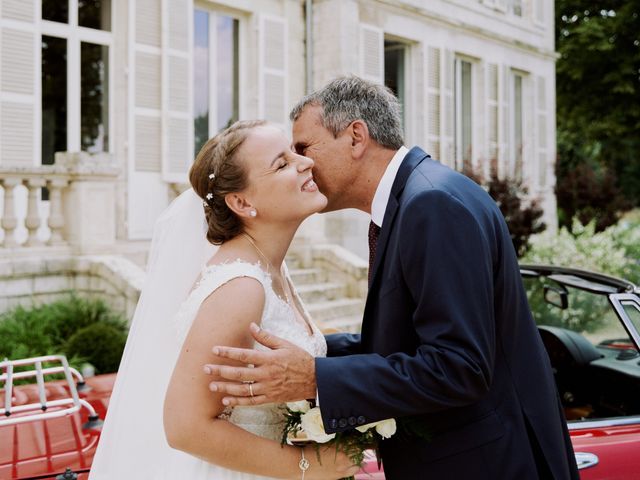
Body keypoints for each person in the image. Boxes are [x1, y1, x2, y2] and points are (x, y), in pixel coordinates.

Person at [205, 77, 581, 479]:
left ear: (355, 137)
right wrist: (312, 348)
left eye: (304, 148)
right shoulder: (420, 197)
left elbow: (459, 367)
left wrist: (315, 378)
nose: (303, 165)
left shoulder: (432, 205)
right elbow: (414, 341)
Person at [89, 120, 359, 479]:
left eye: (295, 152)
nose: (305, 163)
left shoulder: (270, 269)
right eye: (281, 163)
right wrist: (309, 467)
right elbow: (185, 427)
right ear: (242, 202)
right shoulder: (241, 286)